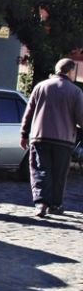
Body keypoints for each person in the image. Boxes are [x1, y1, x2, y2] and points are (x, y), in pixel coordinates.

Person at [20, 58, 83, 217]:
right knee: (59, 174)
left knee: (40, 170)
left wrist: (24, 134)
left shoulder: (40, 86)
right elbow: (81, 118)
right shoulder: (76, 92)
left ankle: (41, 203)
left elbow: (29, 113)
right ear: (71, 71)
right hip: (64, 139)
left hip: (40, 136)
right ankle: (55, 205)